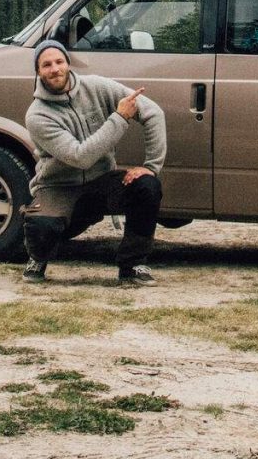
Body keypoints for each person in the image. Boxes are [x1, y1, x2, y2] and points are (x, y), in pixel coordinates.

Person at [21, 41, 166, 284]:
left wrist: (151, 166)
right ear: (38, 72)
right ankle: (37, 256)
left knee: (147, 186)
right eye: (46, 65)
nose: (55, 69)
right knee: (41, 229)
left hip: (101, 181)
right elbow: (81, 157)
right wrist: (119, 118)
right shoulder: (37, 115)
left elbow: (153, 112)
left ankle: (133, 265)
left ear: (67, 63)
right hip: (59, 186)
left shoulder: (97, 86)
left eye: (59, 61)